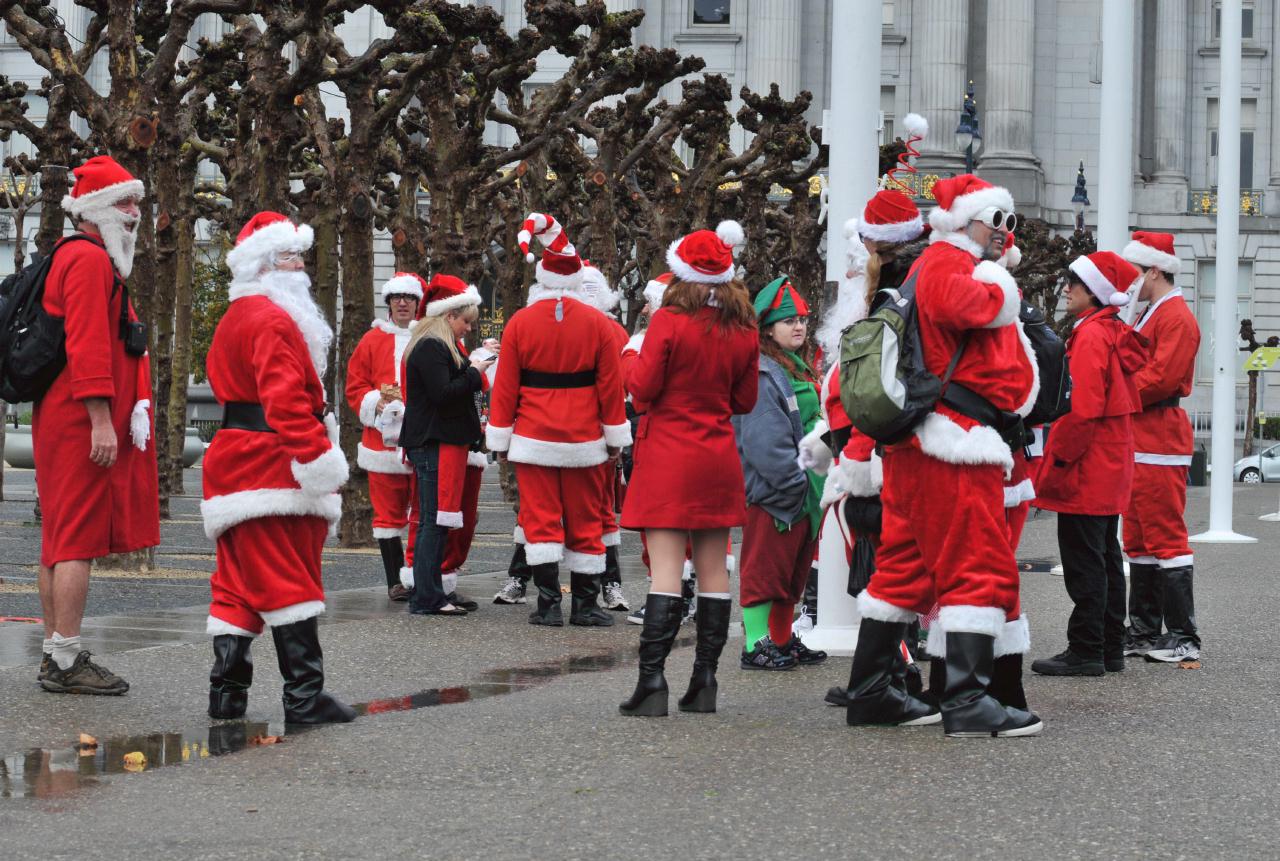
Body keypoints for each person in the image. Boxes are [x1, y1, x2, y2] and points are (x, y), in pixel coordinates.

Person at [844, 174, 1042, 738]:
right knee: (977, 564)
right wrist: (1000, 287)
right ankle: (966, 699)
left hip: (927, 444)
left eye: (1010, 223)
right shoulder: (949, 263)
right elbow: (964, 306)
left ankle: (871, 691)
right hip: (953, 441)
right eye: (995, 220)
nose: (1004, 232)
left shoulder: (944, 262)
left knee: (904, 570)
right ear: (964, 221)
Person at [202, 211, 354, 724]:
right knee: (290, 579)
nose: (301, 267)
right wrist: (316, 456)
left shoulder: (236, 318)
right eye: (291, 256)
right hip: (271, 467)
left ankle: (226, 695)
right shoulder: (271, 319)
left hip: (234, 463)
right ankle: (304, 698)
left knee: (237, 585)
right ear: (266, 265)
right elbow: (285, 401)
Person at [617, 221, 759, 717]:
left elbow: (644, 388)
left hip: (669, 455)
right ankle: (705, 682)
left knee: (665, 572)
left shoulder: (669, 322)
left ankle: (652, 682)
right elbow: (745, 398)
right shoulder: (743, 327)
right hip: (717, 454)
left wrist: (629, 363)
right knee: (715, 571)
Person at [34, 155, 160, 695]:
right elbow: (86, 345)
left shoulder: (76, 256)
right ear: (96, 209)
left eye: (135, 203)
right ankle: (65, 658)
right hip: (77, 421)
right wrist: (101, 421)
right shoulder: (87, 262)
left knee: (59, 539)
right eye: (124, 204)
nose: (133, 214)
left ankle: (53, 650)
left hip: (61, 416)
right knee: (75, 540)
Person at [485, 213, 631, 628]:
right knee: (587, 520)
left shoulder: (519, 323)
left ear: (542, 279)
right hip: (586, 438)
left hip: (532, 437)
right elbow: (609, 387)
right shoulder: (599, 325)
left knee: (540, 519)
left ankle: (548, 605)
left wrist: (500, 438)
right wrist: (615, 437)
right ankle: (585, 605)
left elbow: (506, 387)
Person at [1031, 251, 1147, 677]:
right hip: (1109, 462)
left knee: (1084, 562)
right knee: (1105, 558)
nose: (1066, 289)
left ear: (1093, 293)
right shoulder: (1112, 331)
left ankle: (1086, 649)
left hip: (1086, 465)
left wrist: (1057, 461)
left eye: (1074, 284)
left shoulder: (1092, 336)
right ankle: (1108, 646)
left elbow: (1080, 409)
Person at [734, 276, 828, 671]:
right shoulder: (763, 372)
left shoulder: (795, 366)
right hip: (781, 491)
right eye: (789, 320)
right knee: (764, 571)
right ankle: (756, 643)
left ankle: (783, 639)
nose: (798, 326)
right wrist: (795, 485)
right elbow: (765, 443)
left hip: (805, 489)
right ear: (767, 327)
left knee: (792, 573)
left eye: (803, 319)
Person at [1120, 231, 1201, 664]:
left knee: (1164, 534)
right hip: (1142, 433)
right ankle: (1147, 630)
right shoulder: (1154, 312)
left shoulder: (1175, 317)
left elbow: (1163, 378)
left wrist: (1115, 390)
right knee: (1138, 537)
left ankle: (1183, 635)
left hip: (1158, 435)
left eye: (1136, 272)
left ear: (1153, 270)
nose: (1131, 282)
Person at [399, 274, 491, 616]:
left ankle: (430, 592)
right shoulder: (432, 347)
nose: (468, 328)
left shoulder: (433, 346)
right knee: (433, 522)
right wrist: (474, 371)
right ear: (448, 316)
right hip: (434, 443)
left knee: (433, 521)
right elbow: (443, 393)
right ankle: (428, 596)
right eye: (465, 321)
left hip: (435, 441)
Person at [345, 272, 425, 601]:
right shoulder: (371, 341)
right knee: (388, 516)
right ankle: (395, 580)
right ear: (389, 303)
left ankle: (419, 575)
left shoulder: (431, 336)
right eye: (396, 298)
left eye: (408, 298)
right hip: (382, 444)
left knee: (424, 513)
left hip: (424, 439)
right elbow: (354, 386)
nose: (402, 303)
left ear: (418, 303)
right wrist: (374, 402)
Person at [580, 263, 631, 613]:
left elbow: (621, 387)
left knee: (601, 512)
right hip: (563, 431)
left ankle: (610, 585)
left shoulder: (615, 334)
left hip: (598, 435)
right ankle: (523, 578)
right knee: (539, 514)